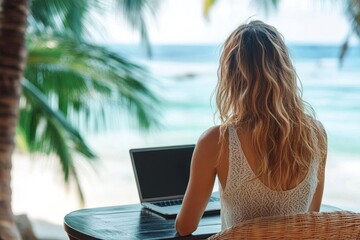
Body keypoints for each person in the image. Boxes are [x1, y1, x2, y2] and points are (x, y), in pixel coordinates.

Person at [175, 20, 327, 236]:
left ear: (231, 75)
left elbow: (185, 227)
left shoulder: (216, 141)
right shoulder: (316, 135)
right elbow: (311, 217)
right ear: (284, 71)